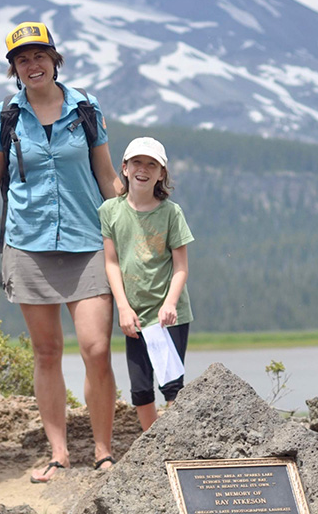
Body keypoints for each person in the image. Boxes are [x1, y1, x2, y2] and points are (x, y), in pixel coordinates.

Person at [0, 21, 120, 483]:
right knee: (47, 351)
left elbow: (107, 177)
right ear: (14, 68)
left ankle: (103, 451)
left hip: (88, 241)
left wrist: (147, 215)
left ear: (55, 58)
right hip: (28, 243)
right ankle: (59, 454)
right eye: (21, 59)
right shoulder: (6, 116)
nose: (31, 65)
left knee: (96, 349)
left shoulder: (86, 108)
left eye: (39, 56)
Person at [99, 137, 194, 431]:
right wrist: (123, 309)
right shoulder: (110, 211)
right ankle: (152, 449)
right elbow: (111, 262)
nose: (143, 169)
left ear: (161, 173)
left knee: (172, 387)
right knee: (140, 389)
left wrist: (169, 304)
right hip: (134, 316)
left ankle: (180, 448)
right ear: (124, 169)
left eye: (152, 164)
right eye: (137, 162)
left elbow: (180, 267)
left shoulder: (170, 213)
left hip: (169, 315)